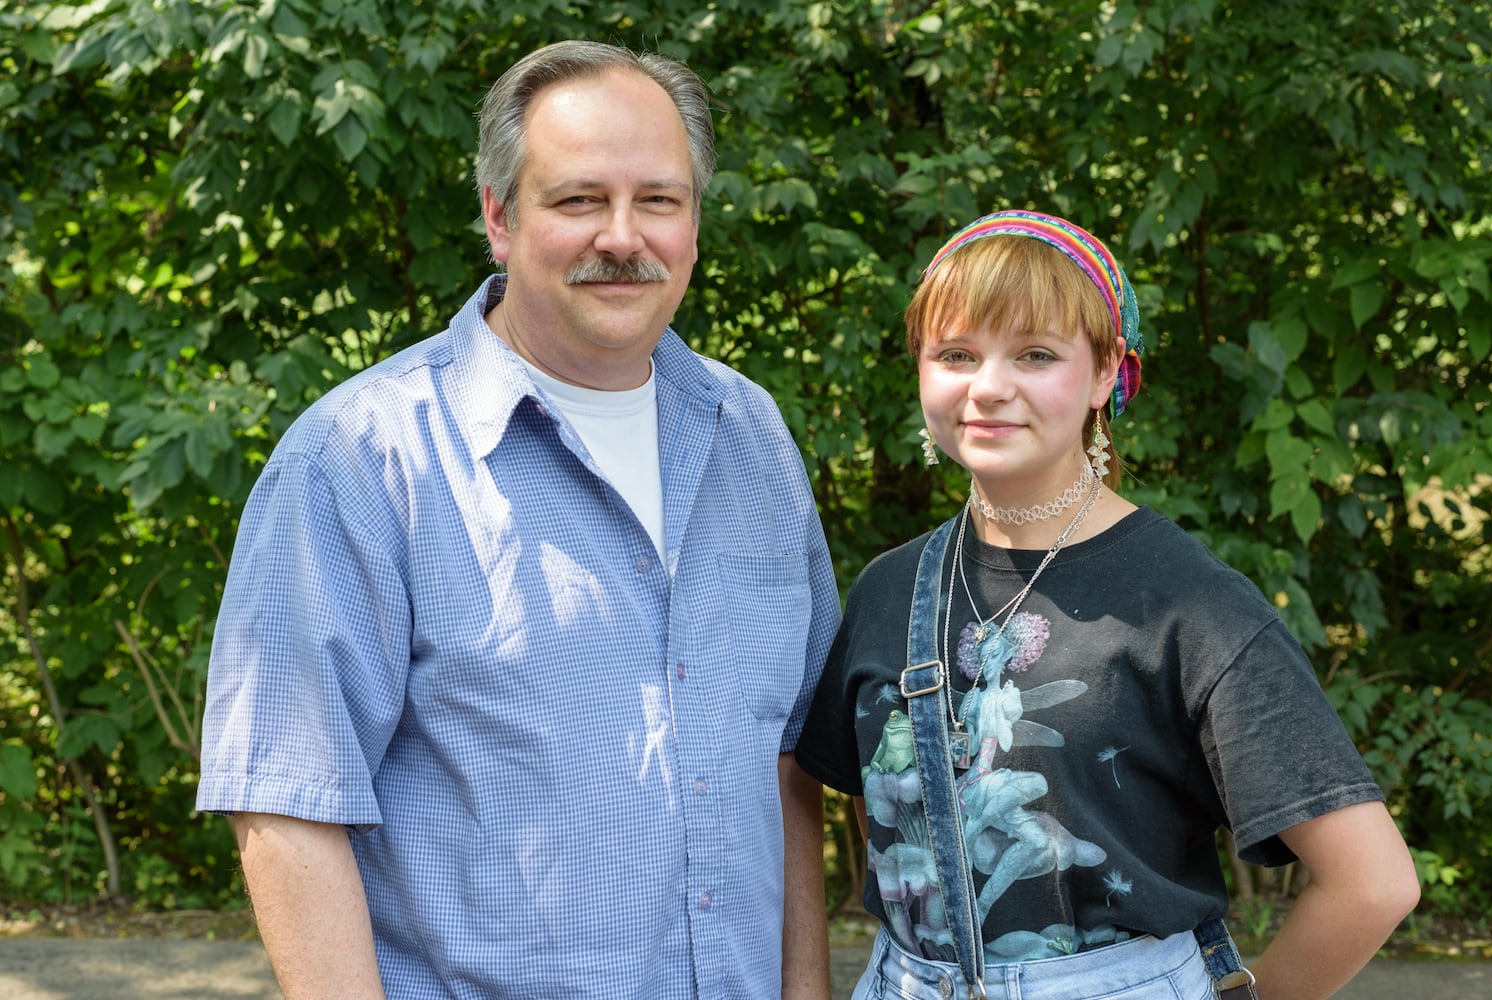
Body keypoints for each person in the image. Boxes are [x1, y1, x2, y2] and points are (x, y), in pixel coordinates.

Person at [196, 40, 840, 1000]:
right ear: (500, 218)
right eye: (578, 200)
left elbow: (788, 759)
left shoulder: (750, 437)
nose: (623, 236)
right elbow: (288, 805)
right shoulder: (362, 457)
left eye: (658, 200)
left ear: (695, 224)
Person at [795, 209, 1418, 999]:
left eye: (1035, 354)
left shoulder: (1189, 607)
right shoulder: (890, 587)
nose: (989, 387)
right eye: (956, 354)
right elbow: (857, 801)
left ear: (1104, 377)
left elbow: (1373, 883)